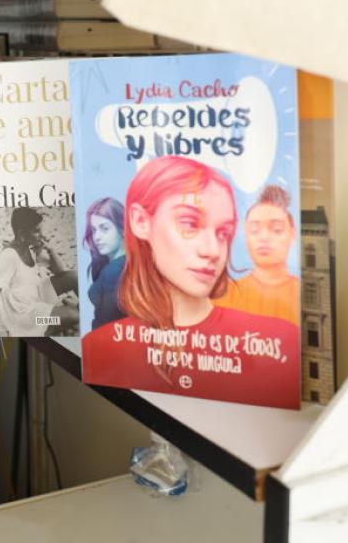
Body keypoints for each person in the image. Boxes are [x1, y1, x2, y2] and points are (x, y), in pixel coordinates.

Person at [81, 157, 300, 409]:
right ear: (141, 222)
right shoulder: (99, 348)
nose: (212, 250)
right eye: (189, 224)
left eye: (222, 233)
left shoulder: (282, 343)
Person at [0, 207, 78, 336]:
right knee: (74, 315)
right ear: (22, 234)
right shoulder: (9, 255)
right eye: (37, 231)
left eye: (41, 229)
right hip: (24, 314)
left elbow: (61, 272)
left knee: (75, 277)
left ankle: (53, 320)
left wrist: (51, 250)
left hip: (38, 293)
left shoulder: (30, 247)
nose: (42, 235)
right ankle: (44, 327)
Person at [214, 185, 301, 326]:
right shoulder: (225, 295)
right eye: (254, 230)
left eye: (276, 229)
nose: (264, 237)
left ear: (292, 234)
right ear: (246, 237)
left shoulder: (301, 293)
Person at [82, 197, 126, 329]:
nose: (97, 237)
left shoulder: (113, 272)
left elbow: (105, 326)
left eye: (104, 229)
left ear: (122, 229)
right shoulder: (130, 264)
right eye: (94, 230)